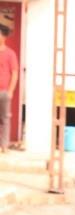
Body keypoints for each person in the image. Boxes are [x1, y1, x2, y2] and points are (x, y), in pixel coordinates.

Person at [0, 24, 18, 153]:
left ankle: (4, 146)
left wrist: (10, 91)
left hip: (4, 92)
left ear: (4, 37)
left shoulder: (10, 54)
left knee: (5, 119)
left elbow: (15, 73)